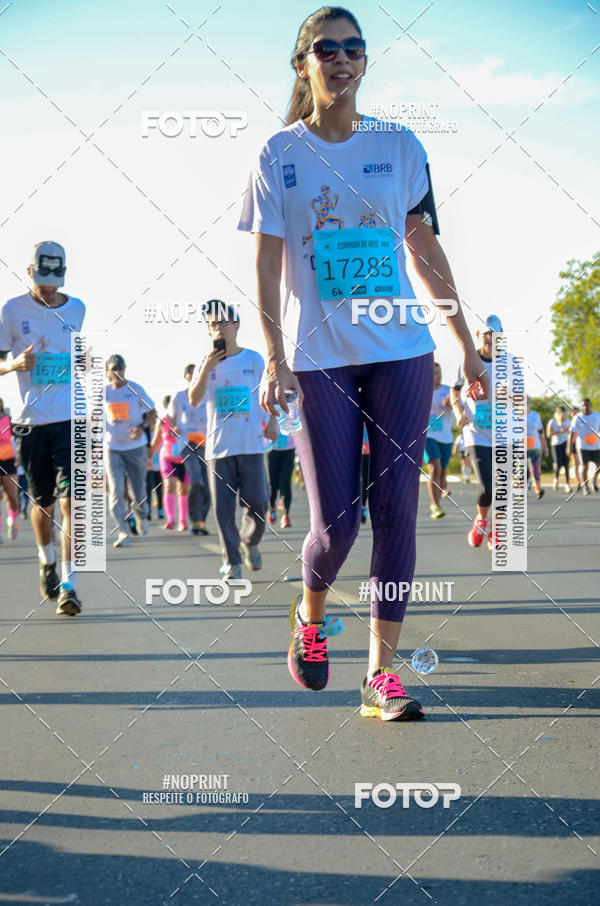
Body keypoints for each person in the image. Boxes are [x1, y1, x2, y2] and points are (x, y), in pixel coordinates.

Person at [239, 6, 488, 720]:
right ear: (303, 63)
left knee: (398, 512)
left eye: (355, 47)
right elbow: (263, 265)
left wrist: (462, 342)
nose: (342, 57)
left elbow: (426, 251)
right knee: (336, 527)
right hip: (318, 360)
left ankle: (381, 676)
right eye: (327, 48)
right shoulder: (277, 155)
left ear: (365, 62)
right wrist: (273, 356)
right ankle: (310, 617)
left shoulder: (401, 146)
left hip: (402, 350)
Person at [0, 241, 84, 613]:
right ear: (30, 271)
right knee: (44, 503)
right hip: (29, 422)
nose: (49, 287)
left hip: (69, 416)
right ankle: (46, 558)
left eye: (56, 279)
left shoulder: (77, 308)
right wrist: (14, 365)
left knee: (73, 503)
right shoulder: (12, 310)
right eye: (42, 278)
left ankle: (68, 584)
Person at [188, 301, 278, 581]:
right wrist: (206, 369)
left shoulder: (253, 359)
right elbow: (193, 399)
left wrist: (273, 422)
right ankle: (232, 563)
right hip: (218, 449)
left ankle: (250, 541)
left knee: (259, 503)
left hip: (250, 444)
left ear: (235, 325)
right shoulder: (206, 362)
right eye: (212, 325)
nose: (218, 328)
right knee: (223, 511)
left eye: (222, 323)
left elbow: (269, 394)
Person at [451, 315, 517, 550]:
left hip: (503, 434)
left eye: (495, 333)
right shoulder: (468, 361)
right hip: (475, 433)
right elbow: (455, 391)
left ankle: (496, 532)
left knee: (502, 487)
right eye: (487, 333)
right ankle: (481, 521)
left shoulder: (509, 363)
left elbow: (519, 398)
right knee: (488, 487)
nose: (491, 337)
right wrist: (460, 414)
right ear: (479, 336)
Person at [105, 354, 156, 547]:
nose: (118, 372)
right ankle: (123, 532)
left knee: (138, 491)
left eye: (121, 368)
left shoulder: (135, 389)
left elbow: (152, 412)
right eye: (114, 369)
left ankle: (142, 515)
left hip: (136, 448)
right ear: (107, 372)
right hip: (113, 449)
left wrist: (141, 427)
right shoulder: (103, 393)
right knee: (116, 491)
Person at [168, 364, 211, 536]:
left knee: (208, 486)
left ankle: (201, 521)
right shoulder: (179, 397)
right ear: (186, 377)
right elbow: (170, 417)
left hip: (206, 444)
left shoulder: (208, 395)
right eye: (191, 374)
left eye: (197, 374)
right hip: (187, 445)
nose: (194, 377)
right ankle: (195, 518)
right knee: (196, 480)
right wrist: (174, 427)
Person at [150, 395, 190, 531]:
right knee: (169, 485)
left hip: (185, 458)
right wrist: (148, 457)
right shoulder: (162, 422)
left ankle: (182, 520)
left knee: (183, 490)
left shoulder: (186, 420)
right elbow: (156, 442)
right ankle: (170, 519)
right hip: (167, 458)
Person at [424, 362, 454, 519]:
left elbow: (457, 405)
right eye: (434, 372)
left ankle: (440, 491)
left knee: (442, 472)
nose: (438, 375)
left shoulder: (448, 390)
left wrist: (451, 402)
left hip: (445, 437)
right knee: (434, 468)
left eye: (439, 372)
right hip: (427, 436)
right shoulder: (422, 390)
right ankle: (435, 505)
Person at [570, 398, 600, 494]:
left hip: (596, 445)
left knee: (598, 465)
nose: (585, 407)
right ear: (581, 406)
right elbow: (572, 432)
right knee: (584, 466)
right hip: (583, 446)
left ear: (590, 405)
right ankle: (586, 486)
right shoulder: (577, 417)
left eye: (587, 405)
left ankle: (594, 480)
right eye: (583, 405)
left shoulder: (597, 415)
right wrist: (570, 446)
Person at [267, 431, 296, 528]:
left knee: (285, 483)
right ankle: (272, 509)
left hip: (289, 450)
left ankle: (286, 515)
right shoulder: (270, 414)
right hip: (273, 450)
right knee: (273, 485)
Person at [0, 398, 19, 540]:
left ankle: (12, 520)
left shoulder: (8, 419)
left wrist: (20, 458)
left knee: (12, 497)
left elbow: (19, 438)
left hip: (8, 461)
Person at [546, 405, 571, 492]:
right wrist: (559, 431)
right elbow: (548, 434)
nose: (564, 416)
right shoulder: (552, 422)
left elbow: (571, 432)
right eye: (562, 414)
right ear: (558, 414)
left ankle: (567, 484)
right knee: (558, 463)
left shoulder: (568, 421)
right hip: (556, 445)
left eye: (565, 414)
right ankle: (556, 480)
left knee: (566, 464)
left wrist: (568, 430)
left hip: (565, 444)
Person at [526, 401, 548, 499]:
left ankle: (538, 489)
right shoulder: (513, 414)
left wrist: (545, 447)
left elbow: (541, 432)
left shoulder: (535, 415)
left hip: (535, 447)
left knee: (536, 469)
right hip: (520, 447)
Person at [360, 423, 370, 524]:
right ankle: (361, 506)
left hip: (372, 452)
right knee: (364, 482)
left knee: (367, 482)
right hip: (362, 451)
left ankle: (363, 506)